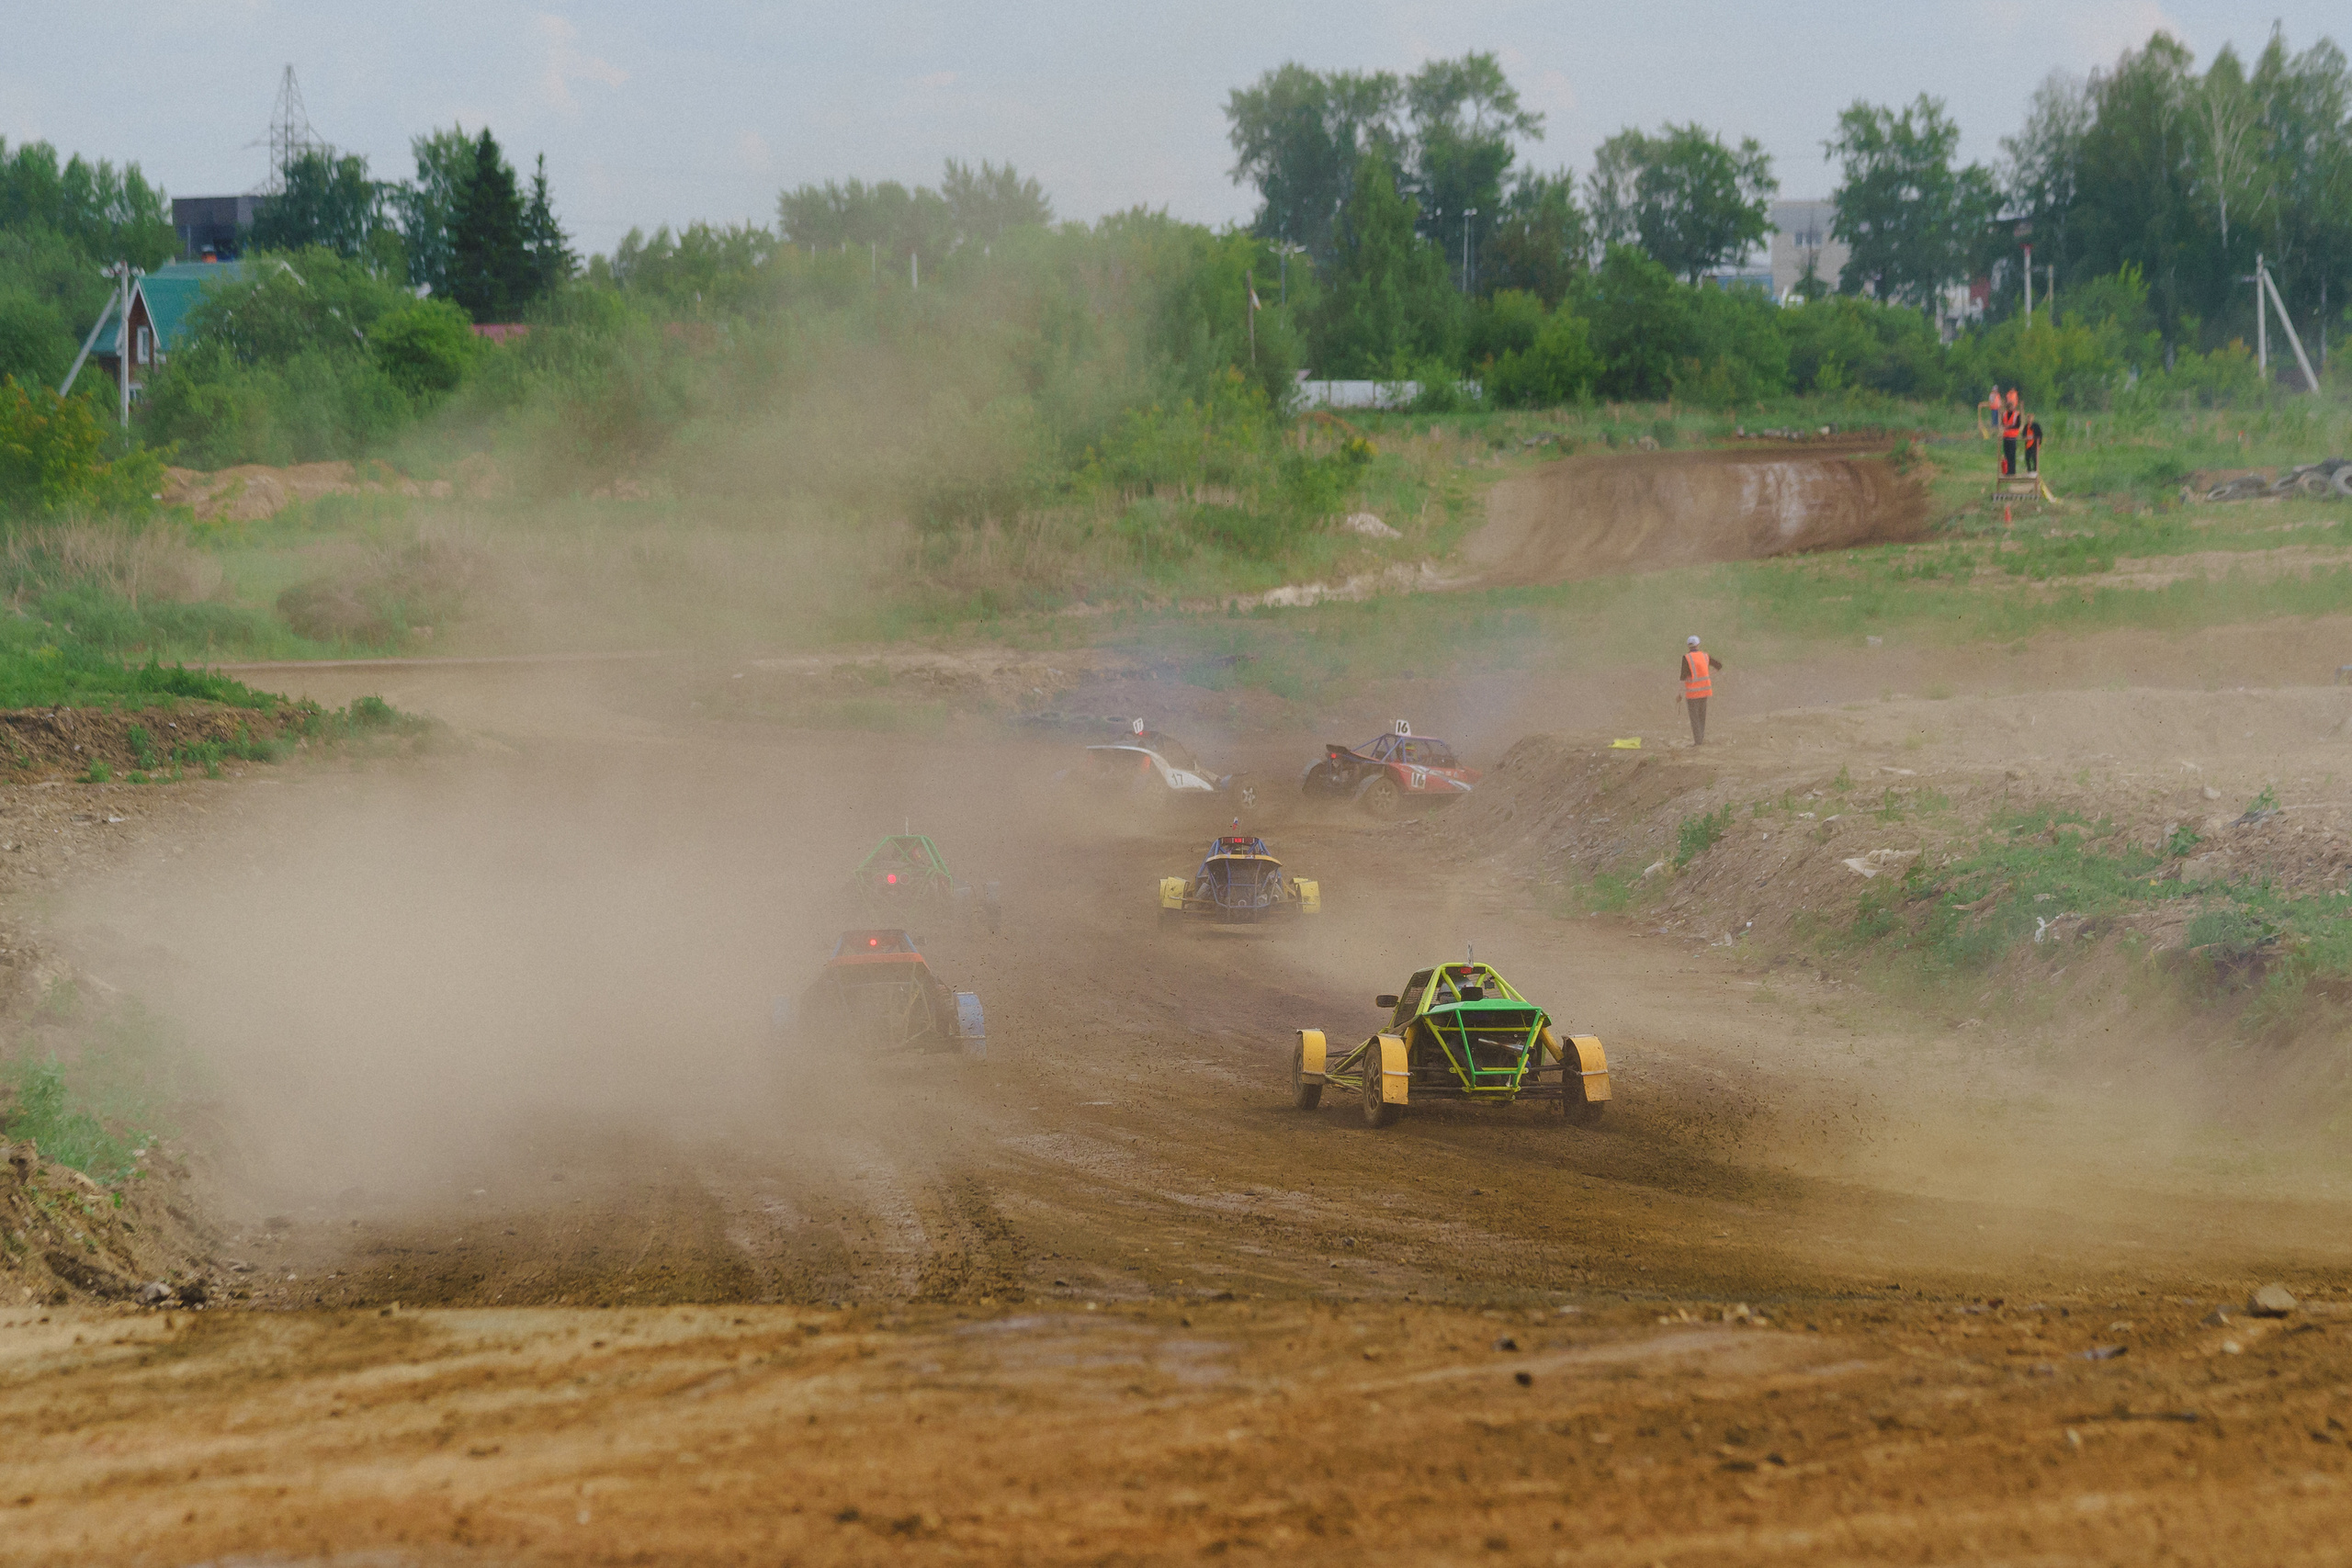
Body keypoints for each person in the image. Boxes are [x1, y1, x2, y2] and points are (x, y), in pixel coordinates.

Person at [1677, 635, 1722, 745]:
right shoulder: (1705, 656)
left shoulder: (1687, 658)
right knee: (1702, 716)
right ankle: (1701, 738)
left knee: (1695, 718)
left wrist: (1679, 693)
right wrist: (1709, 674)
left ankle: (1698, 742)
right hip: (1705, 691)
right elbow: (1719, 665)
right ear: (1698, 645)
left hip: (1692, 694)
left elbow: (1683, 677)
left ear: (1688, 646)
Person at [1998, 389, 2023, 478]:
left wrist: (2009, 427)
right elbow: (2002, 423)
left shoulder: (2017, 414)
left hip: (2013, 437)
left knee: (2012, 455)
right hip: (2006, 437)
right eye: (2009, 407)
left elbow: (2018, 425)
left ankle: (2012, 472)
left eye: (2011, 407)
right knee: (2007, 455)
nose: (2010, 409)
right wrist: (2004, 427)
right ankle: (2007, 471)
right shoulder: (2004, 414)